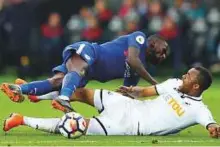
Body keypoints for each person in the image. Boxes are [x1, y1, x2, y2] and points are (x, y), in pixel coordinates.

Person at [3, 66, 220, 138]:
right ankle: (35, 95)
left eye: (188, 77)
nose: (184, 76)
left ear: (196, 87)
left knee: (71, 125)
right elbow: (147, 92)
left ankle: (21, 119)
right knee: (80, 92)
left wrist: (214, 129)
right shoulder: (173, 83)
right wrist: (132, 90)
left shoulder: (199, 110)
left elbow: (211, 125)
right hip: (127, 105)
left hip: (130, 126)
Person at [1, 31, 168, 113]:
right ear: (153, 43)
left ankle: (20, 90)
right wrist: (156, 85)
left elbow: (125, 94)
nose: (164, 55)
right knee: (77, 71)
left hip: (90, 72)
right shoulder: (140, 39)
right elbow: (132, 59)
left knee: (57, 82)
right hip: (90, 52)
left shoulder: (138, 71)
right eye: (163, 50)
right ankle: (64, 99)